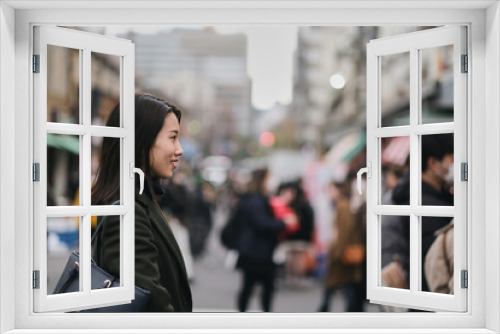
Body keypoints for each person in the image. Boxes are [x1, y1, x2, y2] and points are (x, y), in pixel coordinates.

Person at [91, 94, 192, 312]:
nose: (179, 149)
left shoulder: (140, 199)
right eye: (172, 138)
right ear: (141, 141)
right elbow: (150, 299)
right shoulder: (127, 211)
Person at [391, 134, 454, 293]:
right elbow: (435, 265)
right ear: (433, 163)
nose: (455, 165)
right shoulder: (428, 207)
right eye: (452, 158)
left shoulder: (423, 195)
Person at [236, 168, 296, 312]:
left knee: (256, 287)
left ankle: (252, 314)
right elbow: (263, 223)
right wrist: (283, 222)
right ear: (262, 180)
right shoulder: (255, 201)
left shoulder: (257, 198)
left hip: (258, 251)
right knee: (254, 287)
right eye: (269, 178)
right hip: (256, 252)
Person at [318, 180, 365, 312]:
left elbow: (344, 232)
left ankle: (327, 307)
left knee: (339, 282)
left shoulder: (343, 206)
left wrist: (336, 252)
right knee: (345, 283)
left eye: (332, 190)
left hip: (342, 252)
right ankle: (349, 308)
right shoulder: (342, 205)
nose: (330, 193)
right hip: (343, 251)